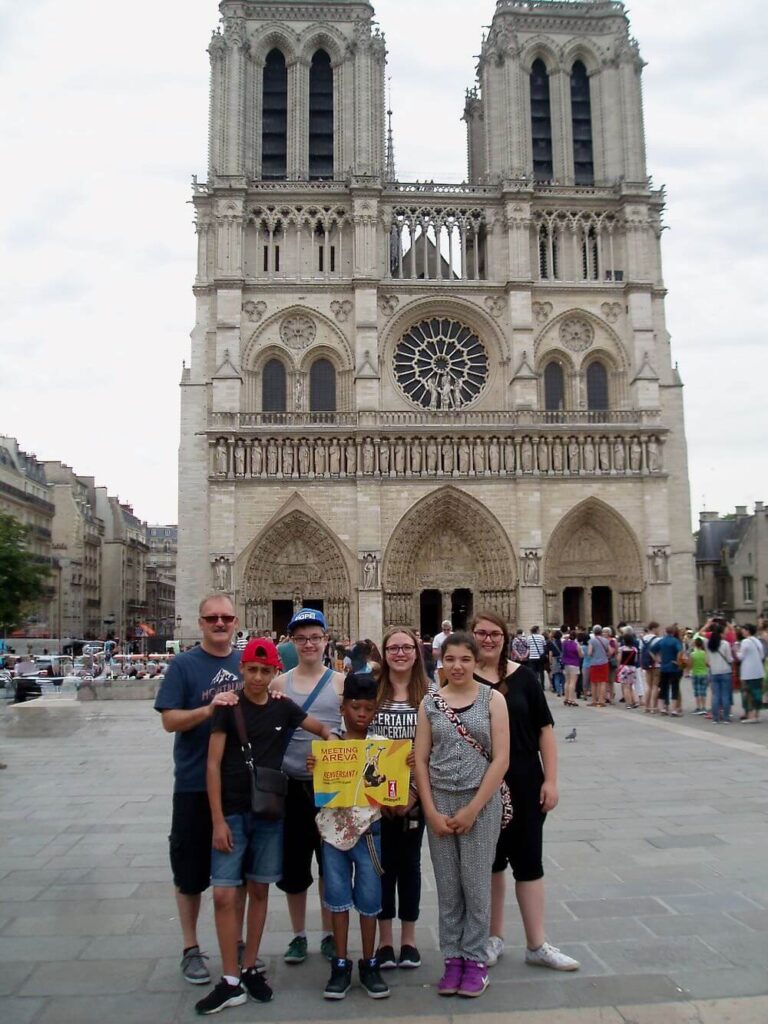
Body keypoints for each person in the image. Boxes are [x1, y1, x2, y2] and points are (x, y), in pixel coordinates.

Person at [196, 638, 331, 1015]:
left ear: (275, 674)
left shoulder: (282, 706)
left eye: (265, 670)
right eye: (252, 669)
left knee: (259, 889)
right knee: (224, 894)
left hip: (268, 812)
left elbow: (321, 728)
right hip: (233, 814)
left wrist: (336, 755)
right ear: (242, 670)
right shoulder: (227, 707)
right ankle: (229, 978)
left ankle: (250, 966)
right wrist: (217, 820)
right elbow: (212, 766)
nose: (257, 676)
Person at [470, 612, 579, 974]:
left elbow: (545, 730)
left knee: (530, 863)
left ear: (505, 637)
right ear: (471, 636)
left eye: (494, 633)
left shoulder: (525, 678)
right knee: (490, 864)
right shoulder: (459, 679)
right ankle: (492, 938)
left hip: (525, 780)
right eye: (481, 633)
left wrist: (551, 780)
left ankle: (537, 943)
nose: (488, 639)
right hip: (480, 786)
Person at [414, 631, 509, 998]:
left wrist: (473, 809)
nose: (457, 666)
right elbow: (420, 759)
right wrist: (430, 810)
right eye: (450, 659)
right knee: (449, 888)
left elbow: (502, 758)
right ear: (441, 661)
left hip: (479, 805)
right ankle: (453, 958)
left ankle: (475, 959)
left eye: (465, 660)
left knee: (476, 884)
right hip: (440, 802)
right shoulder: (430, 702)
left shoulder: (493, 699)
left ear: (475, 661)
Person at [154, 594, 242, 985]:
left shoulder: (249, 663)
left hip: (238, 784)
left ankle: (235, 943)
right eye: (212, 618)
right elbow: (170, 721)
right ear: (201, 622)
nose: (219, 623)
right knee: (189, 873)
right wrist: (210, 710)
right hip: (192, 783)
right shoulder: (183, 665)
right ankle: (190, 948)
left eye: (225, 618)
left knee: (237, 871)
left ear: (236, 621)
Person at [310, 673, 391, 1000]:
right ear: (343, 708)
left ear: (376, 711)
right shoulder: (330, 746)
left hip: (370, 833)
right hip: (332, 833)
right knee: (338, 898)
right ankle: (341, 963)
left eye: (368, 708)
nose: (361, 713)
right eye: (355, 707)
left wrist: (405, 765)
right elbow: (319, 786)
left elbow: (392, 794)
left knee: (370, 900)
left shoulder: (384, 748)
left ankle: (369, 962)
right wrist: (314, 765)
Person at [271, 608, 345, 964]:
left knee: (330, 866)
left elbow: (353, 732)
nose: (309, 644)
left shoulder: (340, 682)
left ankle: (329, 934)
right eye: (301, 638)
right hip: (290, 789)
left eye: (315, 637)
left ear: (326, 640)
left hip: (329, 790)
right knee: (294, 868)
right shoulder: (278, 684)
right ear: (292, 642)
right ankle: (299, 935)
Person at [372, 626, 431, 970]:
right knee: (382, 867)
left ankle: (408, 939)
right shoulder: (371, 690)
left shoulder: (432, 694)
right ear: (384, 652)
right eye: (393, 647)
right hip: (377, 795)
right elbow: (357, 734)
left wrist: (413, 786)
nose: (399, 653)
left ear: (416, 651)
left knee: (409, 865)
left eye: (406, 647)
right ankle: (384, 942)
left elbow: (441, 740)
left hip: (416, 794)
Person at [651, 625, 684, 716]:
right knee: (674, 688)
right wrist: (678, 662)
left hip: (663, 667)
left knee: (663, 688)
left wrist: (657, 659)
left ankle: (662, 709)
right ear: (673, 632)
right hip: (673, 667)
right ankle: (674, 710)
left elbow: (652, 650)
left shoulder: (661, 641)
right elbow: (680, 651)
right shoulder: (675, 641)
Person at [706, 624, 734, 724]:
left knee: (715, 695)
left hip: (714, 671)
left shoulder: (710, 644)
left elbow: (708, 660)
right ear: (721, 633)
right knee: (725, 695)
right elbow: (730, 658)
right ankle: (726, 717)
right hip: (725, 671)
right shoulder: (725, 644)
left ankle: (715, 718)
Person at [737, 624, 764, 723]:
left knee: (747, 693)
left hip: (748, 671)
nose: (742, 632)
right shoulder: (757, 641)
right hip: (758, 670)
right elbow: (761, 656)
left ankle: (750, 714)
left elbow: (740, 656)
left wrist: (736, 651)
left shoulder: (745, 641)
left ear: (748, 631)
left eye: (743, 630)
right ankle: (756, 714)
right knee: (757, 692)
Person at [587, 626, 611, 708]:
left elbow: (589, 653)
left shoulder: (592, 641)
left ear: (594, 632)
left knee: (594, 682)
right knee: (603, 682)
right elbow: (610, 651)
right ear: (601, 632)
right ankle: (601, 701)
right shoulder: (606, 640)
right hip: (604, 663)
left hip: (594, 663)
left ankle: (594, 700)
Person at [616, 627, 640, 708]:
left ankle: (628, 703)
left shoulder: (621, 649)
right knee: (631, 685)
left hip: (624, 668)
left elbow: (619, 659)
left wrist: (618, 668)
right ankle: (635, 701)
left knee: (625, 686)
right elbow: (636, 660)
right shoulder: (634, 649)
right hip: (632, 668)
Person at [641, 622, 661, 713]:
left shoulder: (643, 638)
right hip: (656, 664)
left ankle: (647, 706)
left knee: (648, 685)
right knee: (655, 685)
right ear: (654, 628)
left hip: (646, 663)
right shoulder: (657, 639)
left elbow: (641, 651)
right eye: (658, 628)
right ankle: (654, 707)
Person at [561, 631, 581, 707]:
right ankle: (571, 699)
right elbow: (580, 654)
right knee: (572, 682)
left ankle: (566, 698)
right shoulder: (576, 644)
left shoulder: (564, 643)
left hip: (566, 663)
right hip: (574, 664)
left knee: (567, 682)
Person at [689, 637, 709, 715]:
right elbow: (707, 663)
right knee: (703, 691)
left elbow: (690, 664)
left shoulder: (692, 654)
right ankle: (704, 707)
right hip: (704, 673)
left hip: (695, 673)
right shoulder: (704, 653)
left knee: (697, 691)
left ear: (695, 645)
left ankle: (698, 707)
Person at [432, 620, 452, 684]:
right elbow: (434, 651)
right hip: (442, 665)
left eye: (448, 629)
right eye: (444, 629)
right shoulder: (437, 637)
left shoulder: (455, 636)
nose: (446, 631)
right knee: (443, 684)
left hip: (454, 664)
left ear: (451, 628)